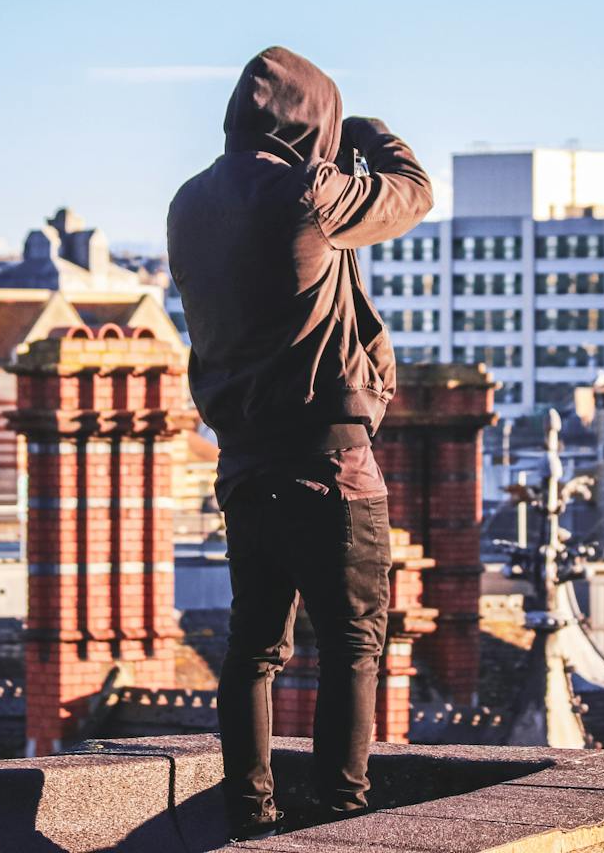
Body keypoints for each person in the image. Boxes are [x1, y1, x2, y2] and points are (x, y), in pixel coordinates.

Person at [167, 46, 433, 838]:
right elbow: (411, 196)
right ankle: (339, 817)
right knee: (355, 643)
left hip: (245, 462)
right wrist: (369, 132)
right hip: (331, 461)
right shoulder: (309, 191)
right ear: (311, 122)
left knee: (252, 649)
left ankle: (249, 814)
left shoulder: (188, 202)